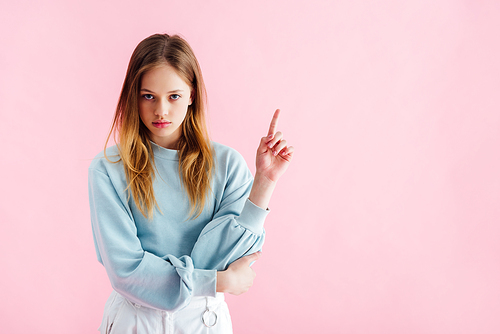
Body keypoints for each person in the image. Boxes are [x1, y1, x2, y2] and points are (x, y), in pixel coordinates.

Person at [88, 33, 293, 334]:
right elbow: (127, 271)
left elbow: (231, 255)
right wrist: (218, 281)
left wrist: (265, 181)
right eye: (148, 96)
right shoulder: (107, 169)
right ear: (133, 96)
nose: (161, 110)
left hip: (204, 321)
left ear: (192, 95)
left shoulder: (226, 164)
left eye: (174, 96)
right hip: (135, 320)